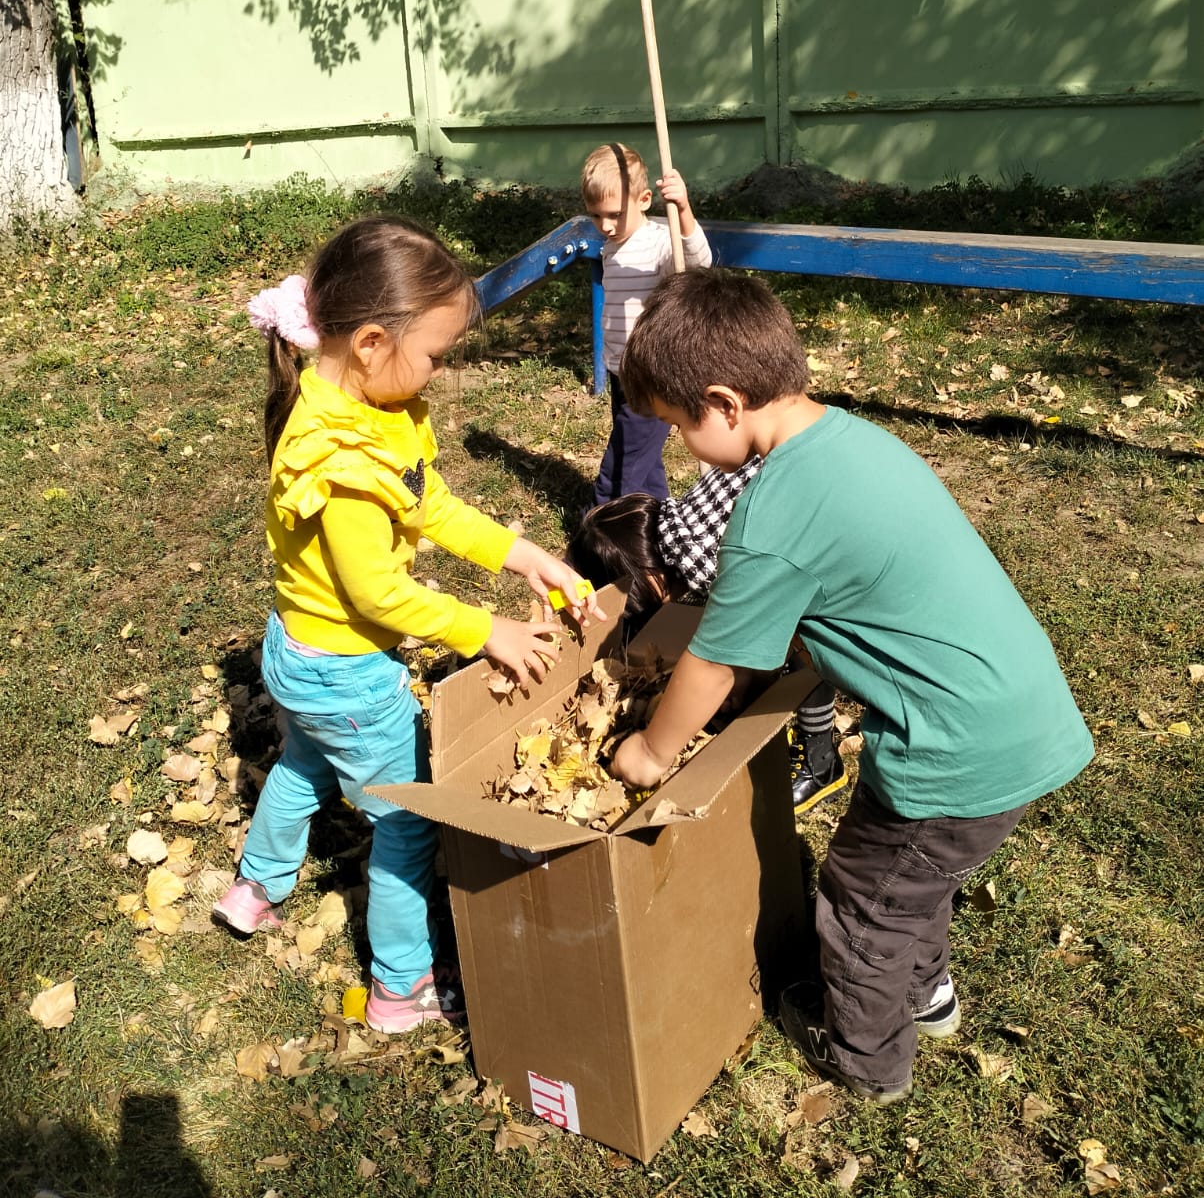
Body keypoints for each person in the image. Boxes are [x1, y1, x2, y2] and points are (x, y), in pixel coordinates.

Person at [608, 269, 1094, 1106]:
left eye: (680, 425)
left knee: (866, 900)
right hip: (1016, 709)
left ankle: (867, 1063)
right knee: (914, 881)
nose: (682, 447)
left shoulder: (771, 516)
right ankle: (926, 996)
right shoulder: (853, 442)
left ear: (723, 404)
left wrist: (652, 751)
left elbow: (717, 661)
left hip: (954, 753)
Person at [213, 217, 597, 1034]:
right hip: (350, 672)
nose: (440, 369)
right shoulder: (342, 463)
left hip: (302, 659)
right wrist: (480, 628)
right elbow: (379, 594)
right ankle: (400, 988)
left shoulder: (366, 406)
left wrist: (521, 554)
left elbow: (432, 504)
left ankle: (254, 889)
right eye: (435, 353)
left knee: (307, 762)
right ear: (372, 343)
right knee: (406, 822)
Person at [566, 465, 847, 813]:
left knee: (810, 642)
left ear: (640, 579)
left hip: (836, 567)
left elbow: (754, 633)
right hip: (827, 509)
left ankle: (820, 761)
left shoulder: (711, 562)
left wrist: (658, 745)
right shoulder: (685, 523)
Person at [581, 141, 711, 503]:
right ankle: (655, 517)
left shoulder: (658, 240)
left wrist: (683, 210)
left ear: (644, 200)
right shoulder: (613, 245)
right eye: (595, 216)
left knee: (623, 462)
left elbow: (697, 262)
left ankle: (599, 530)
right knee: (643, 458)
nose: (604, 226)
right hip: (623, 369)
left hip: (654, 372)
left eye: (613, 214)